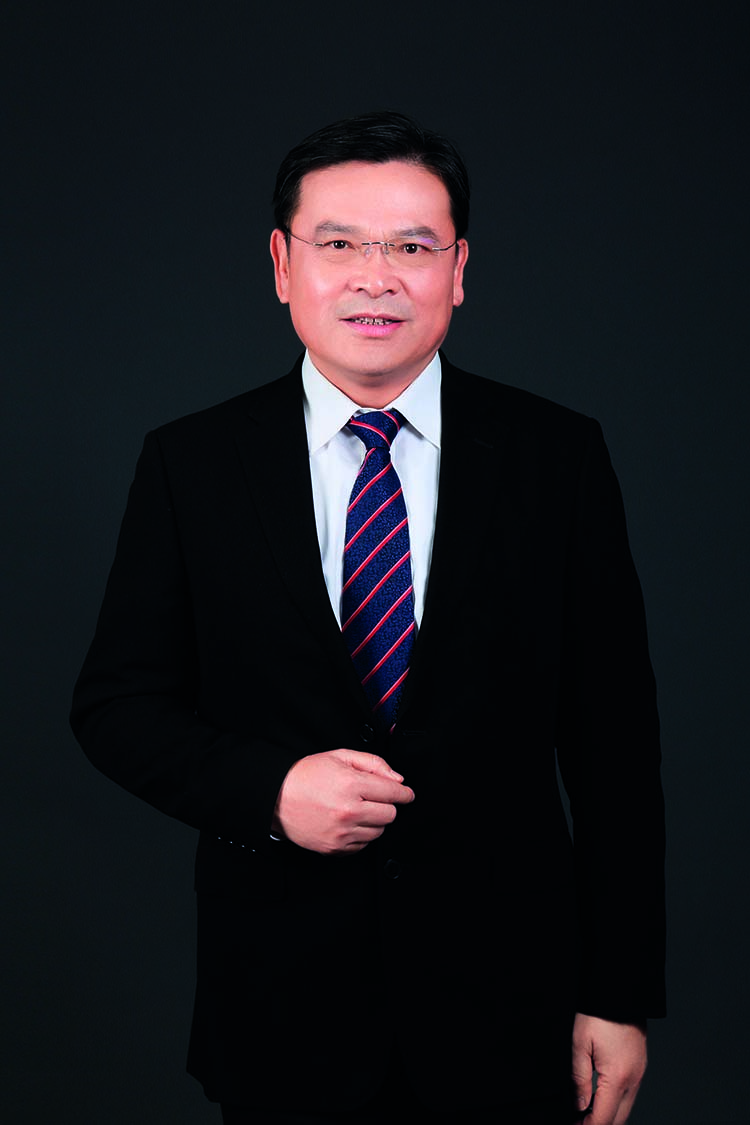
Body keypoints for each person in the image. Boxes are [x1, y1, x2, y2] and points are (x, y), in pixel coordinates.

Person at [70, 111, 666, 1125]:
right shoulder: (192, 463)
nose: (375, 278)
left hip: (508, 1008)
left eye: (412, 248)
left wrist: (618, 993)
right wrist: (270, 790)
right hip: (282, 1008)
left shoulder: (555, 456)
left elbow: (614, 742)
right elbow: (116, 706)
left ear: (459, 270)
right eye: (340, 243)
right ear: (283, 264)